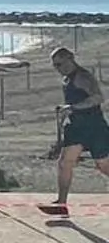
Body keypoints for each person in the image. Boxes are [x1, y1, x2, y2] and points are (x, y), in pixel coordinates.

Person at [40, 46, 109, 215]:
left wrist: (73, 107)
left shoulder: (83, 77)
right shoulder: (67, 79)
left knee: (103, 166)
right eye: (55, 65)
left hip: (94, 127)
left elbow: (98, 98)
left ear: (70, 59)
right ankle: (61, 204)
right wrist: (67, 111)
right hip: (76, 128)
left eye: (60, 64)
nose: (58, 69)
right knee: (65, 163)